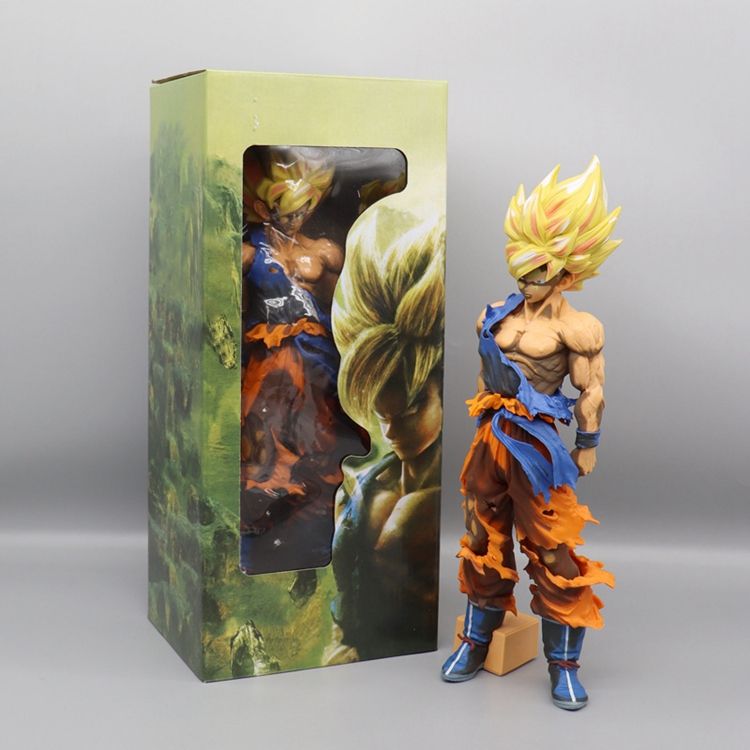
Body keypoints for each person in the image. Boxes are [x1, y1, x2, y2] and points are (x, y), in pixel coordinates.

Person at [440, 158, 619, 711]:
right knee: (480, 536)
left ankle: (563, 664)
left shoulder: (577, 327)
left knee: (553, 546)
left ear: (565, 272)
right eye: (520, 270)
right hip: (491, 436)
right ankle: (476, 641)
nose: (525, 282)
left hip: (537, 445)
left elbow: (591, 391)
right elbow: (483, 375)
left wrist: (587, 445)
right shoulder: (493, 315)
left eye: (537, 272)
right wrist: (480, 428)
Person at [325, 207, 445, 662]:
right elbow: (348, 601)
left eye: (411, 411)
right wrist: (343, 646)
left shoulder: (463, 492)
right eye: (381, 415)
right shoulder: (358, 494)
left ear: (441, 394)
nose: (392, 430)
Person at [239, 148, 367, 575]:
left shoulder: (325, 252)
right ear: (264, 208)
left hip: (320, 356)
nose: (295, 219)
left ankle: (324, 519)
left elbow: (348, 308)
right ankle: (264, 514)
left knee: (325, 435)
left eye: (303, 210)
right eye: (286, 211)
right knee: (265, 436)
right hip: (271, 359)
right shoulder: (250, 253)